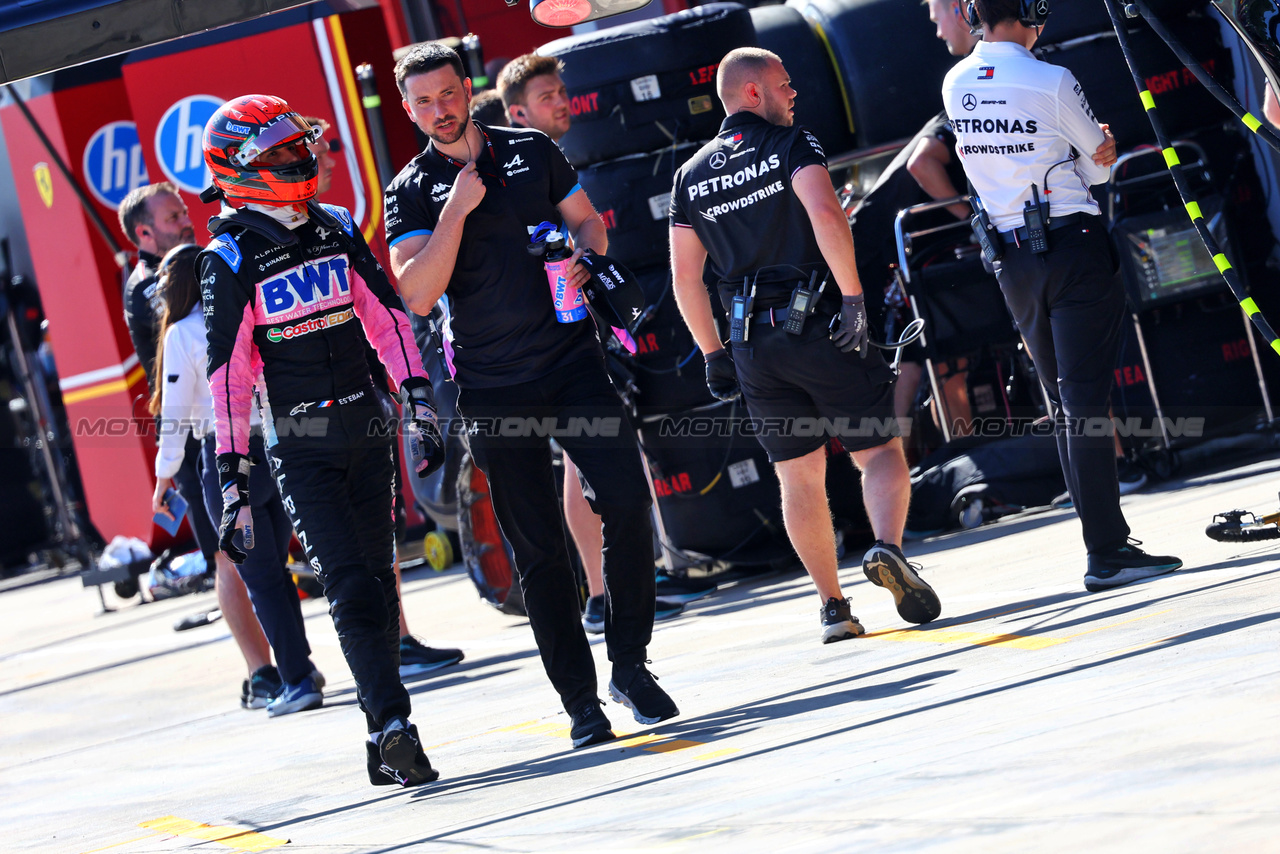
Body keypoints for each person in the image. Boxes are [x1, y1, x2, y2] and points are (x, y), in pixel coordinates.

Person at [386, 43, 678, 749]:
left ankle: (630, 665)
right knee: (539, 550)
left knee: (631, 505)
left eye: (448, 94)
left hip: (574, 363)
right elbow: (417, 291)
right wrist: (456, 211)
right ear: (407, 108)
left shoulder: (530, 150)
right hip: (491, 387)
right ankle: (580, 703)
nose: (440, 111)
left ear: (467, 89)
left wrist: (585, 254)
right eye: (423, 102)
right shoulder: (414, 188)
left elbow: (589, 221)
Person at [200, 94, 442, 787]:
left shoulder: (336, 223)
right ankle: (395, 727)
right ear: (238, 168)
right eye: (275, 154)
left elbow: (387, 316)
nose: (296, 158)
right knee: (349, 586)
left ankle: (380, 732)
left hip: (368, 426)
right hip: (300, 444)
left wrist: (416, 395)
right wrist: (233, 479)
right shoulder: (226, 256)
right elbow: (228, 378)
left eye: (295, 146)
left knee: (377, 580)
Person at [669, 48, 944, 643]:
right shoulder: (792, 146)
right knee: (879, 453)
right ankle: (888, 549)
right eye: (783, 85)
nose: (793, 94)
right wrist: (852, 298)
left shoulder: (689, 176)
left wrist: (713, 354)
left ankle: (833, 609)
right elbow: (825, 211)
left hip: (751, 346)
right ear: (750, 93)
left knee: (798, 479)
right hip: (820, 323)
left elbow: (685, 278)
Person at [941, 0, 1180, 591]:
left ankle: (1103, 542)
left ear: (973, 12)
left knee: (1065, 403)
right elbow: (1098, 171)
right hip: (1070, 246)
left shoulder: (955, 80)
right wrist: (1094, 145)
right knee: (1085, 403)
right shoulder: (1051, 79)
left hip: (1010, 260)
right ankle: (1106, 550)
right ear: (1033, 11)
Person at [498, 53, 686, 633]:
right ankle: (603, 594)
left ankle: (621, 584)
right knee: (580, 460)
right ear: (516, 111)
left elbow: (585, 230)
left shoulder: (553, 161)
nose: (562, 102)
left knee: (591, 458)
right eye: (547, 95)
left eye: (562, 92)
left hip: (578, 323)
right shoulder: (508, 167)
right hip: (534, 345)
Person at [302, 116, 465, 678]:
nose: (326, 159)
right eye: (318, 149)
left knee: (380, 533)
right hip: (301, 422)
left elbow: (380, 313)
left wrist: (404, 389)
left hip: (364, 396)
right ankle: (356, 660)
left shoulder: (334, 222)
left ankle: (397, 638)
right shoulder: (254, 242)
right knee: (343, 555)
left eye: (326, 149)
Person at [148, 243, 324, 716]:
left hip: (225, 455)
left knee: (260, 574)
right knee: (274, 568)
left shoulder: (182, 333)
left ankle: (297, 678)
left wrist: (163, 478)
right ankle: (300, 665)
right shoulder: (248, 311)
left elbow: (175, 419)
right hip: (275, 443)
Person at [118, 183, 276, 708]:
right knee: (229, 554)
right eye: (171, 217)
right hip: (198, 440)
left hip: (250, 425)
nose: (186, 220)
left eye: (184, 211)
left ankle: (291, 661)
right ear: (144, 233)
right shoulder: (147, 286)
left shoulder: (202, 261)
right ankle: (262, 673)